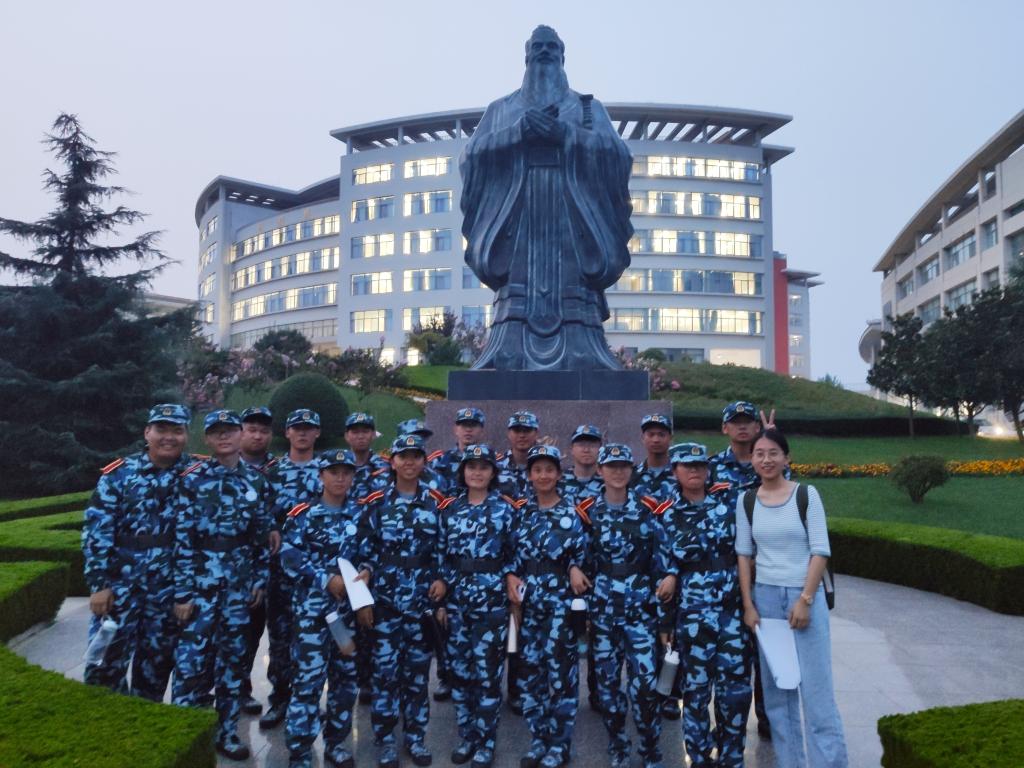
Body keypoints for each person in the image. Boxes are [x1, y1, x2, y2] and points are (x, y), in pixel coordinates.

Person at [459, 25, 632, 370]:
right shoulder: (501, 109)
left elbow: (617, 153)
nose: (544, 52)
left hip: (572, 215)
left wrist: (566, 134)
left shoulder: (587, 108)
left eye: (551, 47)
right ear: (526, 56)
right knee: (517, 291)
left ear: (562, 57)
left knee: (574, 292)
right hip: (518, 215)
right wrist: (517, 133)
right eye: (537, 47)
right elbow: (471, 156)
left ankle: (581, 344)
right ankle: (509, 344)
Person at [736, 429, 848, 768]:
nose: (766, 459)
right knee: (778, 695)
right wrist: (748, 605)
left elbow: (820, 550)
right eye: (759, 453)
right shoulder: (747, 501)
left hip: (804, 596)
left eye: (773, 453)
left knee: (817, 694)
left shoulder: (806, 495)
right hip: (766, 600)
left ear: (787, 458)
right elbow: (743, 554)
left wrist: (805, 599)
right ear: (752, 460)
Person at [172, 409, 273, 760]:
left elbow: (261, 538)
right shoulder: (191, 480)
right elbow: (182, 540)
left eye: (230, 430)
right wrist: (182, 593)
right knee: (191, 664)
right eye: (217, 432)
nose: (224, 437)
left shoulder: (256, 481)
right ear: (208, 439)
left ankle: (227, 732)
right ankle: (187, 735)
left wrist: (259, 579)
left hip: (237, 588)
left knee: (232, 664)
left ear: (240, 434)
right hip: (199, 587)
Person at [81, 403, 194, 700]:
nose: (168, 437)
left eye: (176, 430)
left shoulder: (196, 475)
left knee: (156, 668)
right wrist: (98, 584)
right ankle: (107, 719)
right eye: (161, 429)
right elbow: (97, 531)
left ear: (186, 435)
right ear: (147, 433)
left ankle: (144, 720)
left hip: (167, 590)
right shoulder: (119, 474)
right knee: (102, 662)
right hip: (119, 588)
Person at [657, 442, 751, 768]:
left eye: (699, 465)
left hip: (730, 615)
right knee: (696, 693)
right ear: (675, 471)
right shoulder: (667, 516)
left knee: (735, 692)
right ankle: (698, 757)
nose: (694, 470)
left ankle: (732, 756)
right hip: (693, 618)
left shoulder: (729, 507)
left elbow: (745, 555)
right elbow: (664, 574)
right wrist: (666, 623)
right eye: (687, 466)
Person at [279, 448, 373, 768]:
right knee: (308, 682)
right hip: (312, 613)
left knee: (345, 682)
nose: (340, 478)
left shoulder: (360, 513)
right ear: (321, 476)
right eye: (334, 472)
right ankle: (300, 750)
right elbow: (290, 557)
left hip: (347, 614)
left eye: (346, 473)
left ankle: (336, 743)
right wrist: (324, 579)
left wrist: (367, 571)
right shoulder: (302, 513)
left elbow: (369, 552)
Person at [359, 434, 448, 768]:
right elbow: (365, 550)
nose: (409, 462)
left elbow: (443, 548)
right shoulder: (376, 502)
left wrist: (441, 579)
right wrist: (365, 585)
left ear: (424, 462)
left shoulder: (436, 502)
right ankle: (385, 740)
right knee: (384, 674)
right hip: (386, 602)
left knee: (417, 675)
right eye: (403, 456)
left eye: (415, 456)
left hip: (421, 604)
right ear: (392, 462)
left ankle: (416, 737)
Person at [506, 445, 589, 768]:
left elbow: (584, 558)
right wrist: (510, 577)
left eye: (549, 470)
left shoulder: (573, 514)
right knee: (530, 676)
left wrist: (574, 567)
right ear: (529, 475)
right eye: (537, 470)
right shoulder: (521, 513)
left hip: (561, 605)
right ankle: (538, 740)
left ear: (558, 474)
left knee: (562, 676)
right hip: (529, 605)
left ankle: (559, 745)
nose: (543, 476)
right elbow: (510, 556)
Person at [438, 444, 516, 768]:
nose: (477, 472)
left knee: (487, 675)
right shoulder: (450, 509)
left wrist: (509, 580)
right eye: (471, 466)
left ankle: (486, 741)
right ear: (462, 471)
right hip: (457, 602)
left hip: (491, 602)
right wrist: (441, 600)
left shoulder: (505, 510)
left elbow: (514, 555)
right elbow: (441, 556)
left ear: (493, 473)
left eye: (484, 467)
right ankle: (466, 735)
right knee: (460, 673)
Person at [587, 443, 665, 768]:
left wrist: (665, 593)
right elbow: (579, 559)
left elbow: (662, 559)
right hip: (603, 614)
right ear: (600, 471)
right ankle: (618, 747)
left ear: (631, 471)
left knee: (645, 686)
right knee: (607, 689)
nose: (618, 472)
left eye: (623, 466)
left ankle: (650, 749)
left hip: (640, 613)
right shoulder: (587, 512)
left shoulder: (649, 509)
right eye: (611, 466)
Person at [708, 400, 776, 739]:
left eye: (748, 421)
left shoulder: (769, 464)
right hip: (723, 573)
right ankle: (728, 721)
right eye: (735, 422)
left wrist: (772, 442)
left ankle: (767, 717)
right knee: (731, 652)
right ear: (725, 428)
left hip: (765, 570)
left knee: (766, 647)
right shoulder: (711, 467)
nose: (743, 426)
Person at [259, 408, 325, 729]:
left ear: (317, 433)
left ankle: (308, 700)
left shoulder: (328, 471)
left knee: (311, 638)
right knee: (280, 638)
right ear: (287, 433)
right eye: (296, 428)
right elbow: (261, 515)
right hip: (280, 572)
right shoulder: (271, 473)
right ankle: (280, 698)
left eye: (308, 428)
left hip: (315, 573)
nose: (302, 433)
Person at [630, 412, 678, 719]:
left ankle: (671, 693)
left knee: (673, 631)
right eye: (651, 433)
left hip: (674, 564)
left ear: (669, 437)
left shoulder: (682, 472)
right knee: (647, 630)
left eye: (662, 433)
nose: (656, 439)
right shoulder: (631, 476)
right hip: (641, 567)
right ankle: (647, 689)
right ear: (643, 437)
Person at [237, 405, 277, 716]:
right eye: (251, 429)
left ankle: (284, 693)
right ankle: (239, 690)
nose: (257, 435)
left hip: (281, 565)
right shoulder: (223, 468)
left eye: (263, 430)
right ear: (240, 432)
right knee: (242, 632)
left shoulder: (280, 468)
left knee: (281, 634)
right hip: (239, 567)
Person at [429, 408, 487, 493]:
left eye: (473, 425)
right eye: (464, 425)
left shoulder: (492, 461)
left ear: (482, 431)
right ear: (456, 430)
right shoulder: (439, 460)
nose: (468, 429)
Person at [347, 412, 391, 501]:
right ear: (346, 436)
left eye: (365, 431)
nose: (360, 436)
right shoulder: (335, 465)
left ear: (374, 435)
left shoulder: (387, 466)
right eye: (355, 432)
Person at [496, 410, 539, 501]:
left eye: (527, 430)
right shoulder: (495, 466)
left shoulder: (546, 468)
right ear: (508, 434)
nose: (522, 435)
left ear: (536, 433)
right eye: (517, 430)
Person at [560, 424, 604, 503]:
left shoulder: (608, 481)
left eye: (592, 445)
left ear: (600, 449)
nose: (586, 450)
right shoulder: (559, 480)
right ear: (571, 449)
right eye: (581, 445)